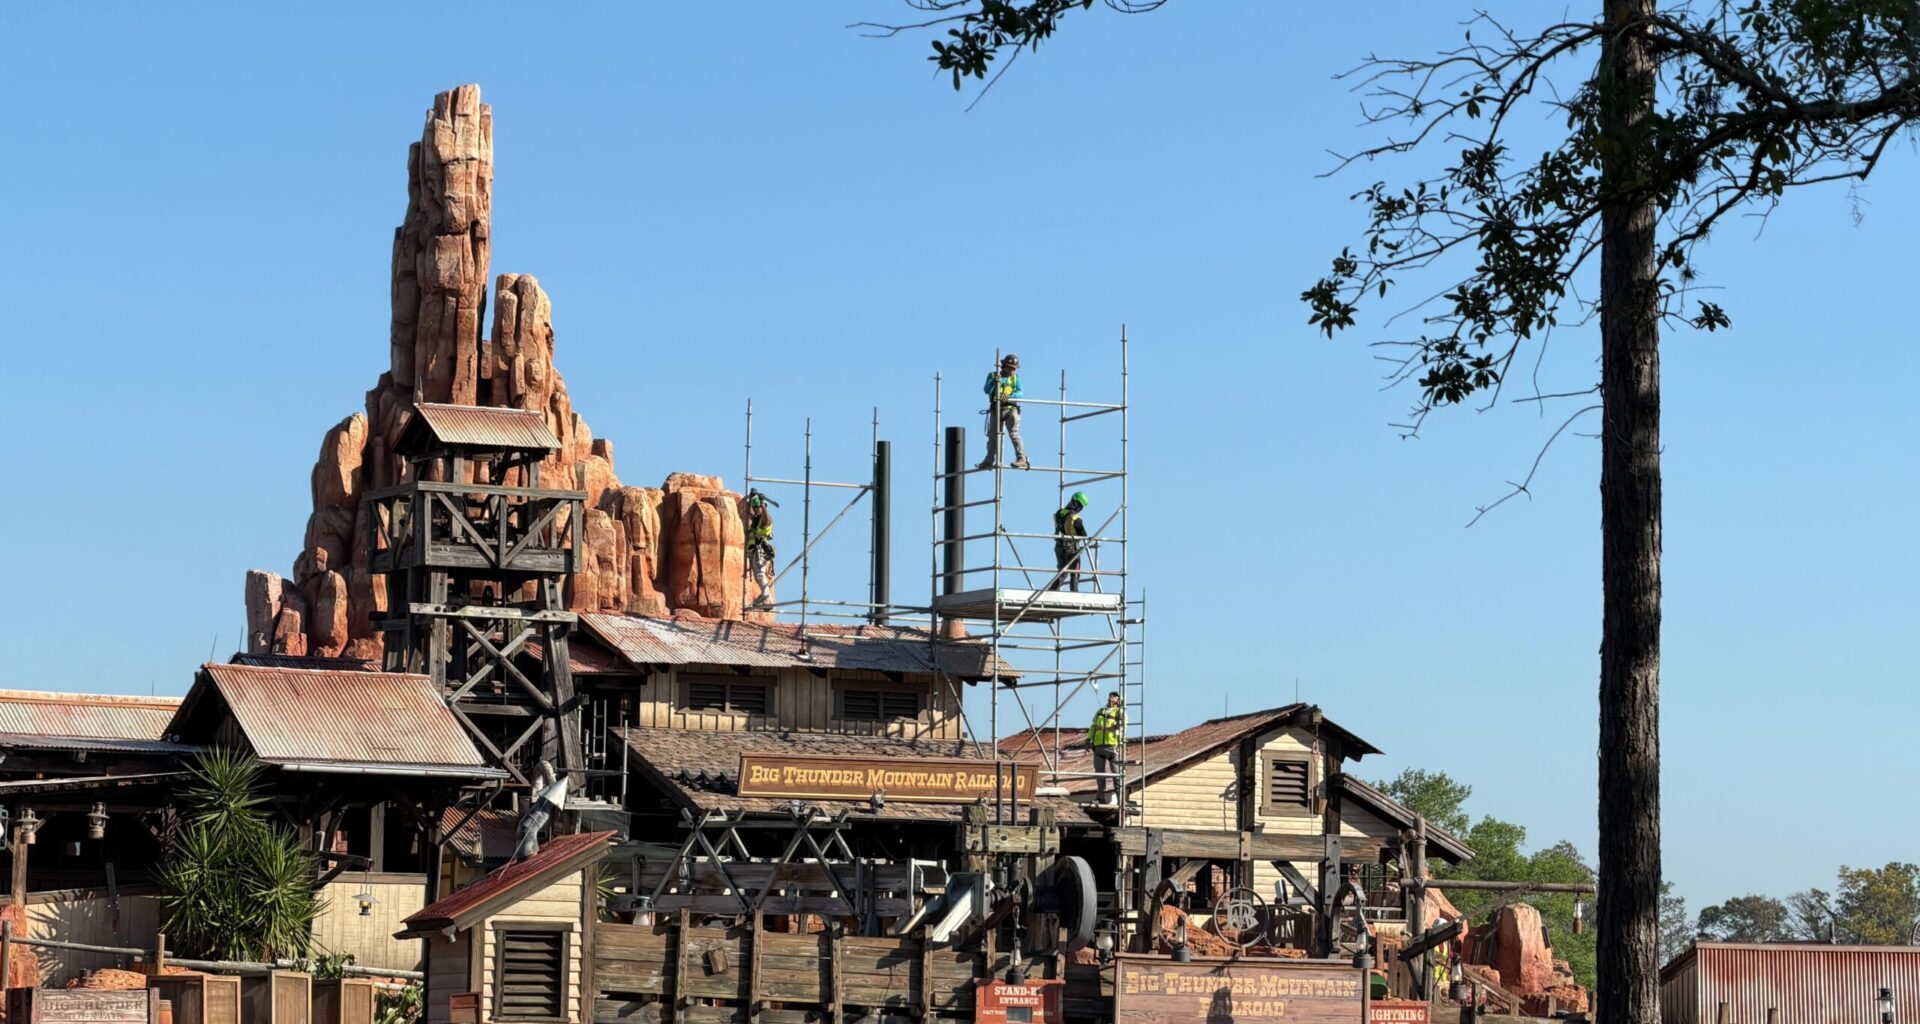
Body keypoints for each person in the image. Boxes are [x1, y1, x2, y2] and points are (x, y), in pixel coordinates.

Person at [979, 354, 1030, 470]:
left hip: (1010, 410)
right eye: (1011, 367)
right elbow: (986, 390)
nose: (1013, 370)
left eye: (1014, 368)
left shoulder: (1015, 378)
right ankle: (989, 460)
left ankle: (1022, 458)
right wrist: (994, 382)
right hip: (995, 409)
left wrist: (1009, 396)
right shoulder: (993, 375)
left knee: (1014, 434)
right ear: (1004, 366)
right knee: (993, 436)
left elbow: (1020, 393)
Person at [1088, 690, 1125, 807]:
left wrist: (1119, 727)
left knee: (1117, 775)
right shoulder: (1100, 711)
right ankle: (1100, 797)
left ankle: (1121, 799)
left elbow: (1124, 726)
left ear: (1118, 700)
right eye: (1110, 695)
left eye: (1114, 696)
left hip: (1112, 746)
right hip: (1098, 746)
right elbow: (1093, 726)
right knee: (1100, 774)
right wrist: (1089, 739)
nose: (1111, 697)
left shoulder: (1120, 712)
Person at [744, 490, 778, 609]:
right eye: (755, 508)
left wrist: (762, 504)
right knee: (758, 574)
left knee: (760, 574)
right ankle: (767, 600)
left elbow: (766, 518)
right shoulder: (756, 519)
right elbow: (749, 514)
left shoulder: (765, 520)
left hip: (760, 549)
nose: (756, 510)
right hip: (754, 550)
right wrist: (751, 499)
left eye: (757, 508)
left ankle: (765, 595)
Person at [1053, 491, 1090, 591]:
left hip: (1059, 546)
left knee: (1062, 572)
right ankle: (1074, 593)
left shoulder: (1059, 513)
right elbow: (1084, 535)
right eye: (1081, 507)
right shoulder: (1076, 519)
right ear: (1078, 505)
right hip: (1070, 548)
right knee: (1075, 573)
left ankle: (1052, 591)